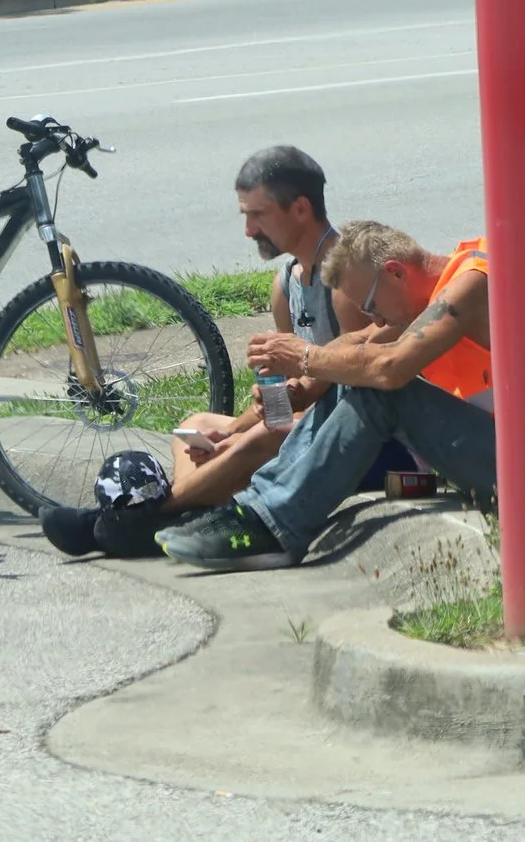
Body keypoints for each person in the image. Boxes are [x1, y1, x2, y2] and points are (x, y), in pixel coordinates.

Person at [36, 145, 356, 558]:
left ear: (299, 209)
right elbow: (291, 391)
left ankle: (129, 521)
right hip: (304, 421)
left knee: (260, 435)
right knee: (198, 423)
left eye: (257, 215)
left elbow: (357, 381)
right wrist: (234, 427)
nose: (248, 230)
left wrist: (254, 427)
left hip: (346, 435)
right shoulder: (286, 283)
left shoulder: (346, 277)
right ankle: (169, 523)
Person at [157, 220, 498, 571]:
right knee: (355, 375)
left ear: (395, 273)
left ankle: (274, 526)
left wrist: (304, 357)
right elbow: (362, 343)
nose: (377, 321)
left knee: (382, 391)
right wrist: (305, 386)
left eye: (372, 305)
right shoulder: (428, 291)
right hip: (498, 454)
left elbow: (389, 368)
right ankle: (260, 507)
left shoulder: (472, 283)